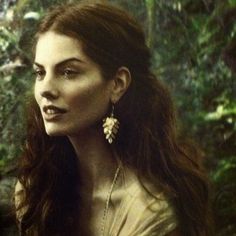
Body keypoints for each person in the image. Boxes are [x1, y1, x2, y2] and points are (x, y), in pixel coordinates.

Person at [14, 1, 212, 236]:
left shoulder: (149, 211)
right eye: (40, 73)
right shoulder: (36, 189)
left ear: (117, 84)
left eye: (68, 72)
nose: (45, 89)